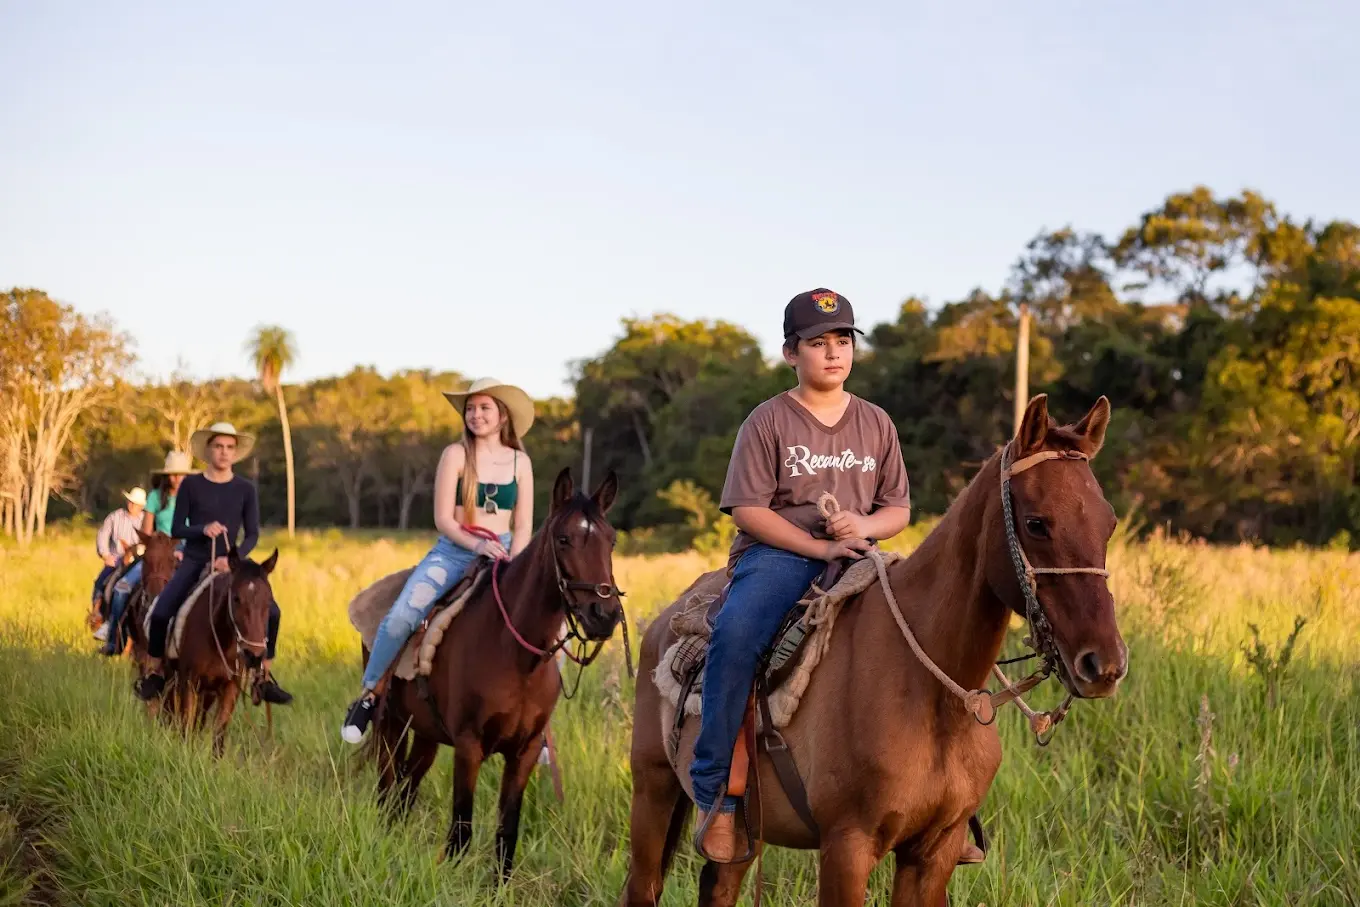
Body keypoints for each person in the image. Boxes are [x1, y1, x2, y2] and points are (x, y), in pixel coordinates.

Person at [690, 289, 923, 863]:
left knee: (929, 631)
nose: (833, 352)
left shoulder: (878, 422)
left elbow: (899, 509)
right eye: (818, 343)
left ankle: (946, 804)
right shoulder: (768, 420)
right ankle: (717, 792)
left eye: (842, 340)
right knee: (738, 636)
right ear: (791, 353)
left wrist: (862, 527)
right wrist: (819, 547)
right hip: (779, 554)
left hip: (858, 552)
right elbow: (748, 509)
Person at [341, 378, 536, 744]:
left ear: (502, 415)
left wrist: (517, 560)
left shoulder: (520, 462)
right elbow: (444, 518)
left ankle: (536, 725)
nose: (476, 415)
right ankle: (369, 695)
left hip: (507, 552)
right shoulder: (456, 455)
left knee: (549, 629)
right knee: (401, 616)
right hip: (455, 551)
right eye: (471, 409)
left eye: (484, 408)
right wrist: (476, 546)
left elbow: (524, 523)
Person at [133, 423, 292, 705]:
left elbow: (253, 533)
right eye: (218, 446)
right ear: (208, 450)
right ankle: (156, 672)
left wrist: (233, 558)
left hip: (233, 562)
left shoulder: (245, 489)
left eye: (230, 447)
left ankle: (263, 676)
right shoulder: (192, 485)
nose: (224, 452)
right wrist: (202, 529)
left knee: (274, 613)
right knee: (160, 613)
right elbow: (179, 528)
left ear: (235, 452)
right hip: (195, 558)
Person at [102, 451, 195, 656]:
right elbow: (147, 530)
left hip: (186, 552)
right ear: (166, 475)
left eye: (181, 475)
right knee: (121, 587)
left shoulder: (194, 497)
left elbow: (197, 528)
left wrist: (185, 551)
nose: (177, 479)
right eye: (172, 474)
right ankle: (114, 639)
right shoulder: (154, 497)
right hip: (157, 549)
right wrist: (151, 548)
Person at [91, 488, 147, 643]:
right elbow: (103, 535)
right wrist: (105, 554)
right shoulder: (115, 517)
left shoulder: (146, 521)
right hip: (116, 559)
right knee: (102, 582)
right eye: (130, 501)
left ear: (141, 506)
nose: (131, 505)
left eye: (135, 503)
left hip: (139, 560)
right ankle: (100, 615)